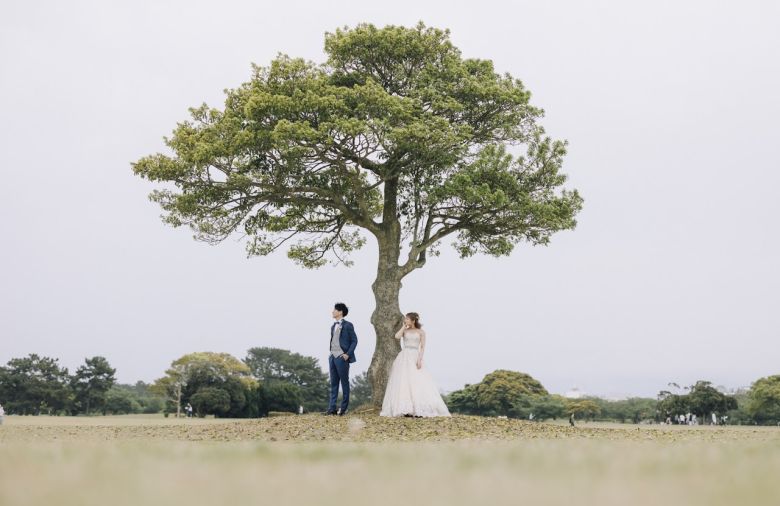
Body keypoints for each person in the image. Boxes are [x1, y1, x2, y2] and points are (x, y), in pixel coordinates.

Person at [380, 312, 450, 417]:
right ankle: (406, 409)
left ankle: (419, 409)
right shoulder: (405, 330)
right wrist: (403, 327)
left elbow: (422, 347)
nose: (405, 320)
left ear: (413, 320)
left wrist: (419, 359)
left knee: (417, 381)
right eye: (405, 319)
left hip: (415, 356)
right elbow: (397, 336)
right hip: (404, 357)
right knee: (404, 381)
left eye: (407, 319)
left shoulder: (421, 332)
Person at [325, 302, 358, 416]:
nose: (332, 312)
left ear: (340, 312)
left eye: (334, 310)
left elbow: (354, 341)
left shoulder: (348, 325)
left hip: (342, 357)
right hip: (332, 357)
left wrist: (348, 354)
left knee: (344, 383)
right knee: (333, 383)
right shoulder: (333, 326)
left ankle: (343, 409)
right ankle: (332, 409)